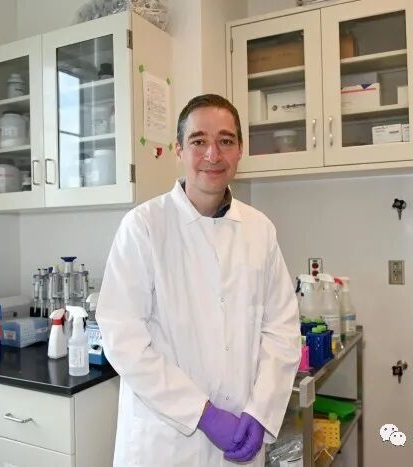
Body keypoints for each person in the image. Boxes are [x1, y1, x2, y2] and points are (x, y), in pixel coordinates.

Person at [96, 94, 300, 466]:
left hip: (242, 431)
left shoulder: (260, 230)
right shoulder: (144, 227)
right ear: (179, 149)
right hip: (165, 444)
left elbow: (281, 330)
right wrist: (202, 414)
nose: (212, 154)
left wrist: (262, 410)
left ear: (240, 150)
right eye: (198, 141)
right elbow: (123, 338)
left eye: (226, 141)